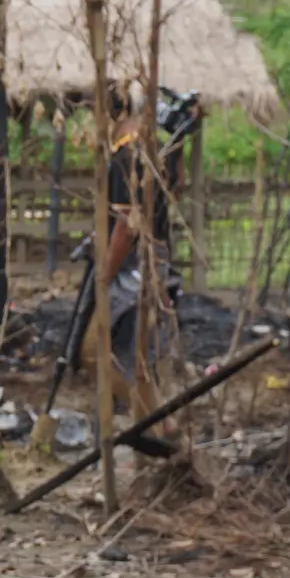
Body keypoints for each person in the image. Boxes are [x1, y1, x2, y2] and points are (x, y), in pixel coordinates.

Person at [78, 85, 182, 420]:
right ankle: (153, 427)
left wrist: (105, 272)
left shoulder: (129, 156)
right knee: (133, 358)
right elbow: (174, 187)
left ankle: (158, 426)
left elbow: (128, 223)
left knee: (97, 351)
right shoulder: (154, 151)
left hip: (131, 272)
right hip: (152, 265)